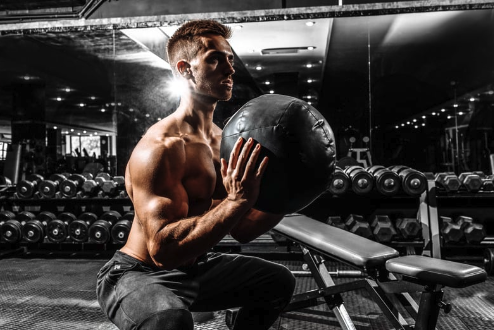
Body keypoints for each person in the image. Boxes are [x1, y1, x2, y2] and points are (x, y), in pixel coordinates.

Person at [96, 19, 296, 330]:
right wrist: (236, 201)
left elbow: (243, 229)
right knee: (168, 319)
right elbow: (163, 252)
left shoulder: (222, 142)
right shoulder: (161, 147)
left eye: (230, 59)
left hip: (196, 268)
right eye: (215, 59)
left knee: (277, 281)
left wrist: (292, 192)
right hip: (140, 273)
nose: (229, 70)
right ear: (184, 68)